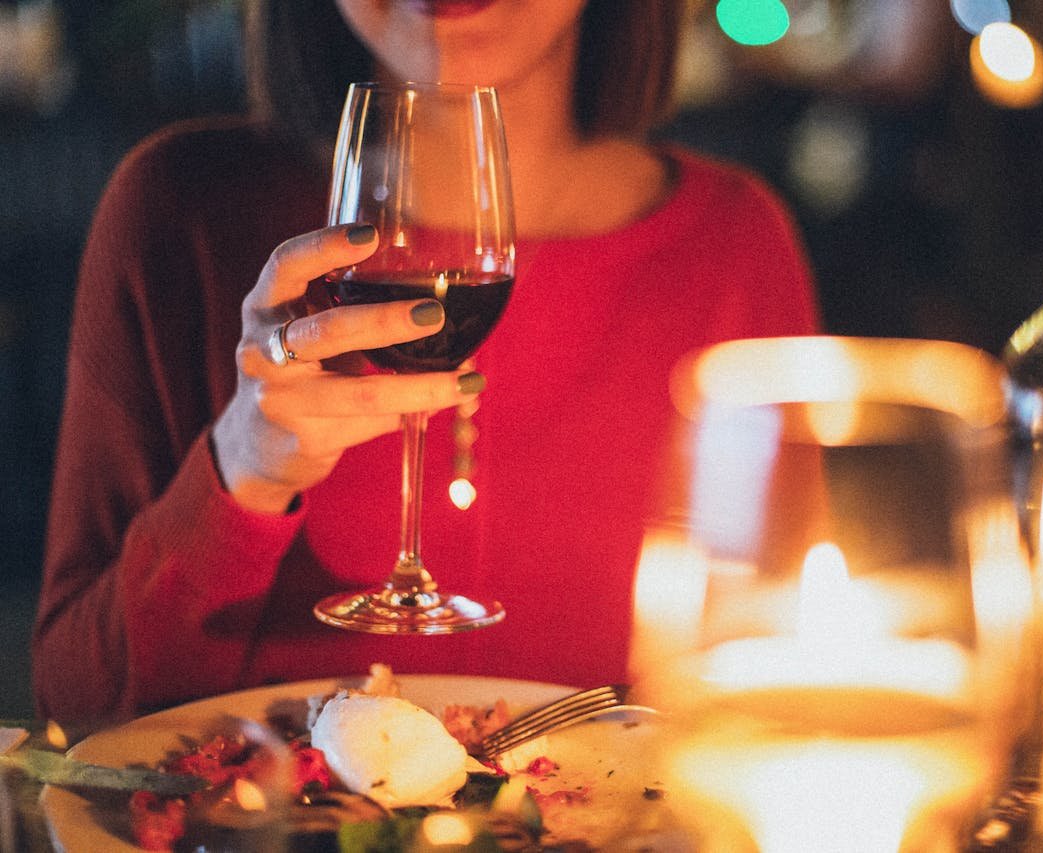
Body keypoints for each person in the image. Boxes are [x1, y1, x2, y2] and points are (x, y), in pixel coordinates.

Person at [33, 0, 819, 722]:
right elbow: (80, 707)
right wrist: (240, 473)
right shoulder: (177, 210)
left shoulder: (734, 249)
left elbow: (779, 696)